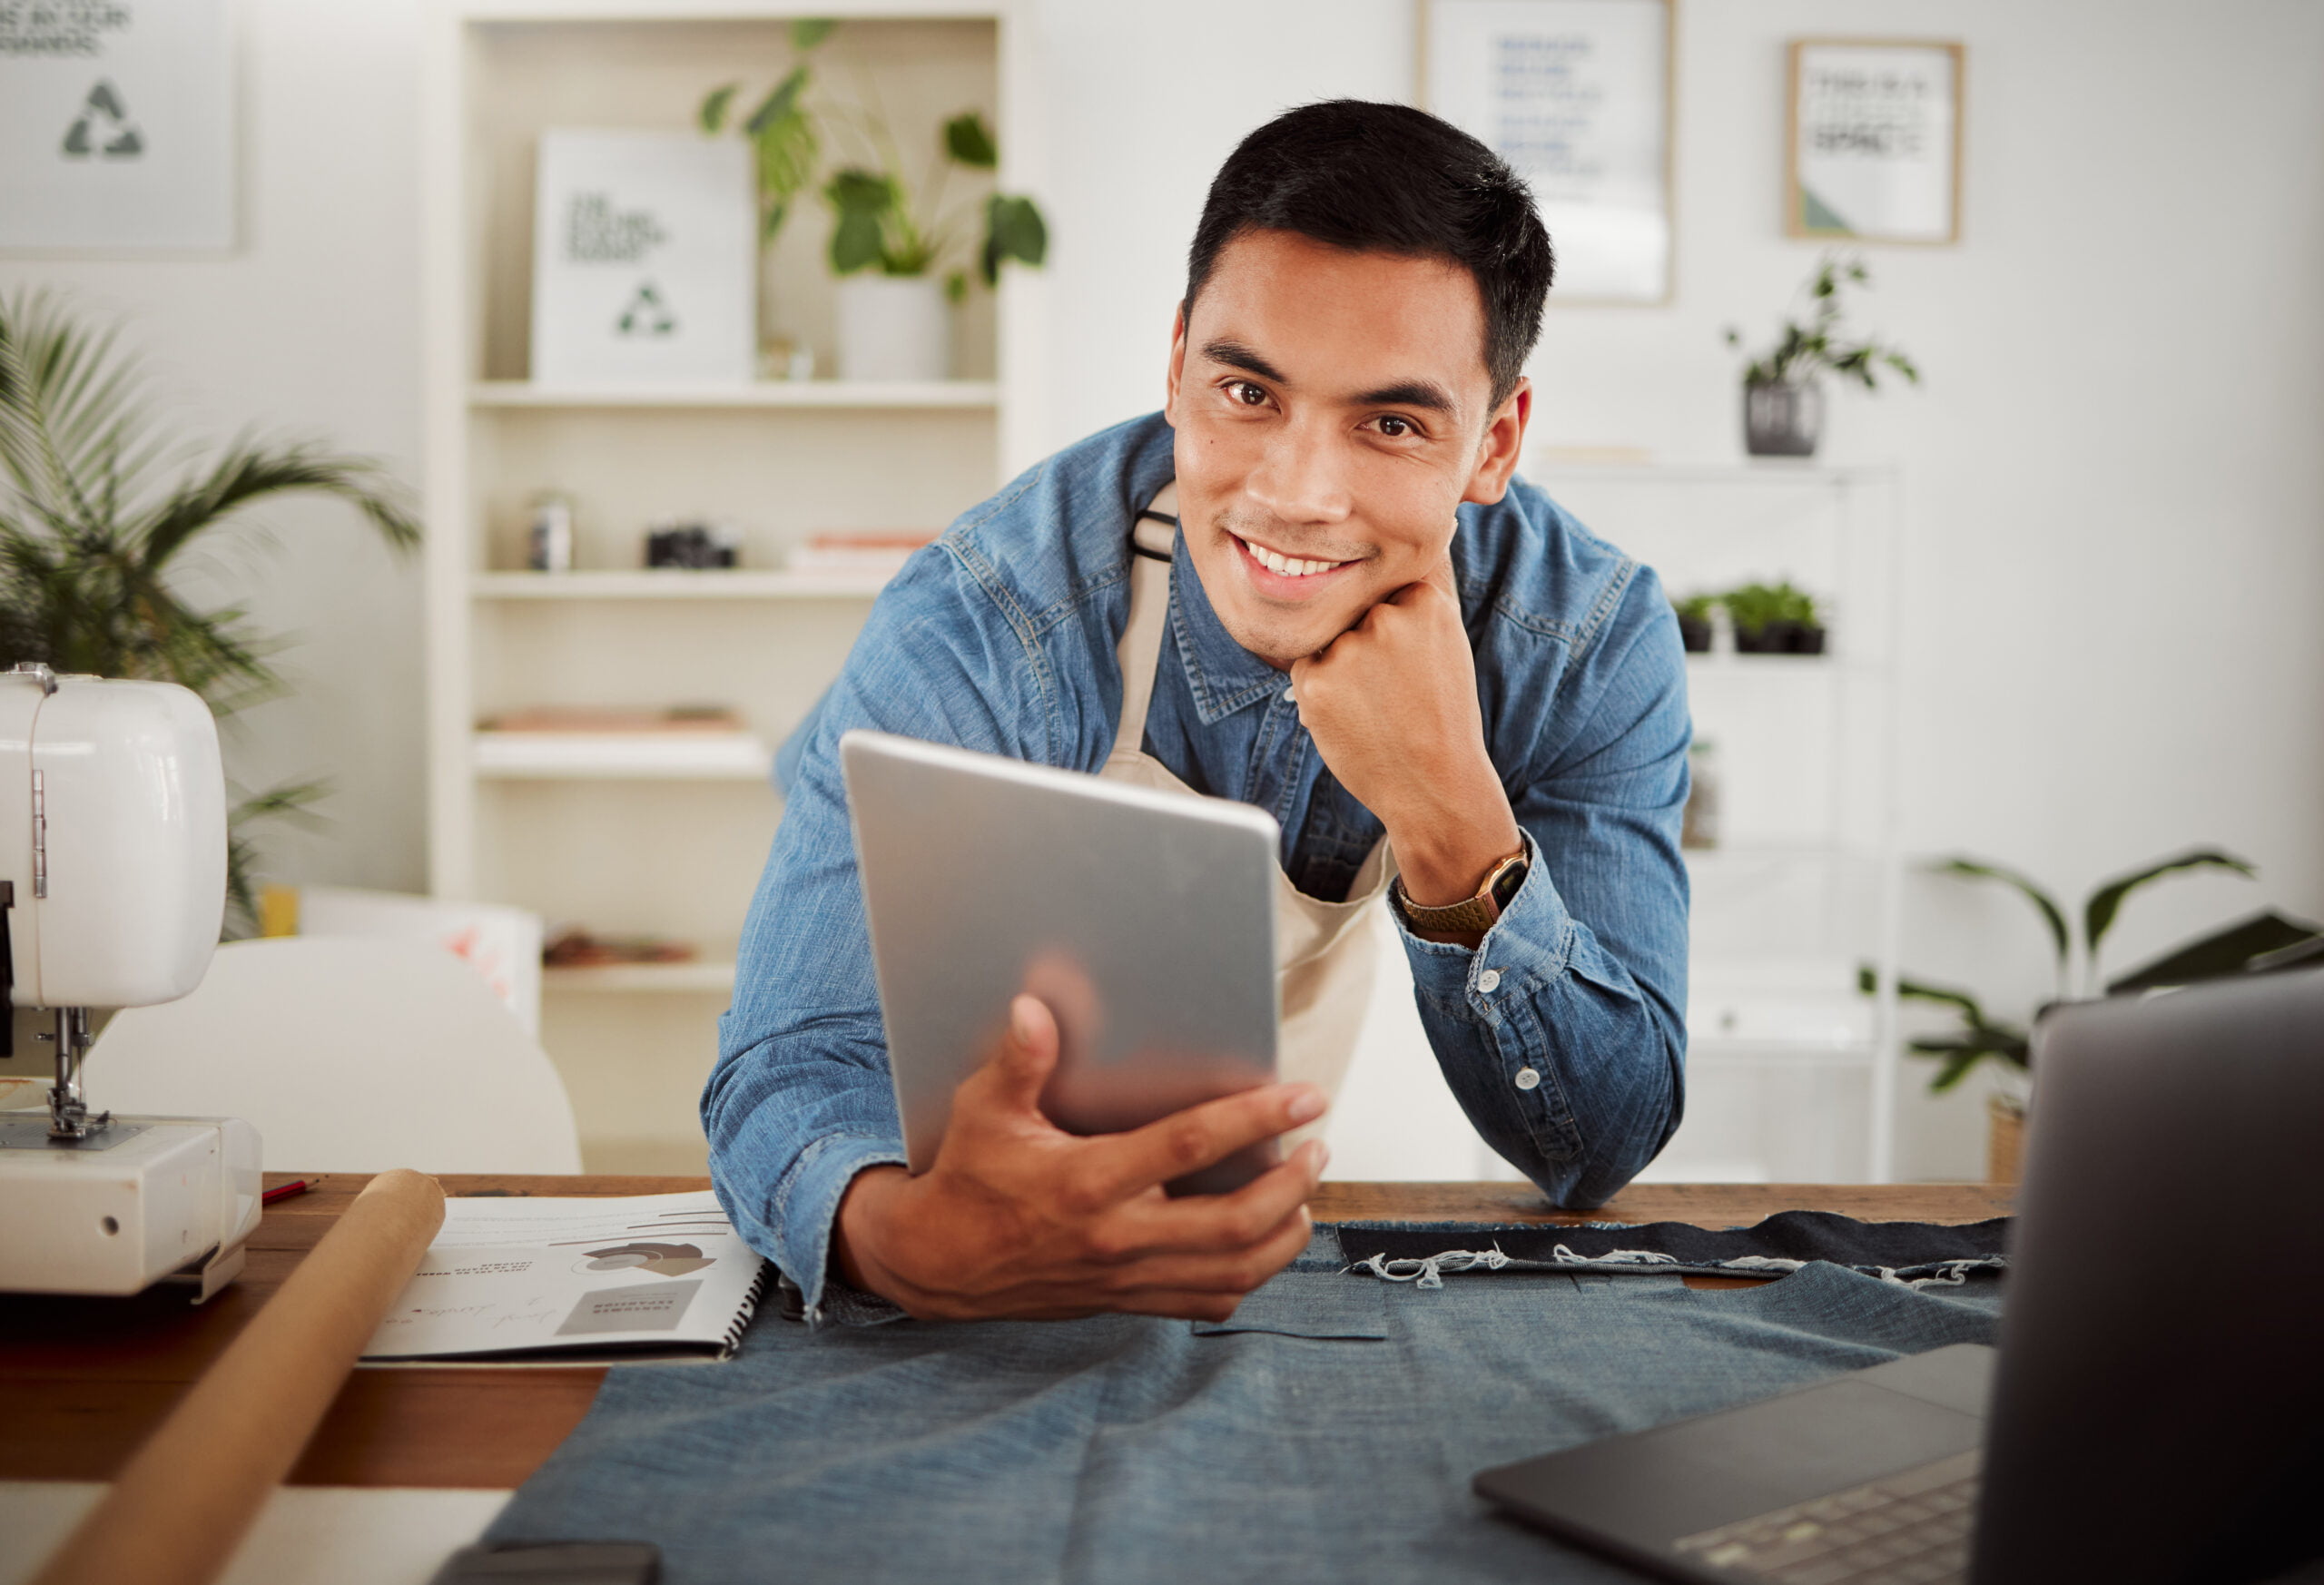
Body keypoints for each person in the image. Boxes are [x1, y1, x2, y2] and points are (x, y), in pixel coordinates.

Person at [706, 100, 1689, 1327]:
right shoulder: (990, 610)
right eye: (1247, 392)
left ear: (1494, 444)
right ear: (1176, 366)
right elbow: (787, 1064)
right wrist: (912, 1244)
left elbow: (1598, 1148)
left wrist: (1452, 817)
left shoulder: (1583, 639)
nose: (1296, 492)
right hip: (981, 1273)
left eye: (1389, 423)